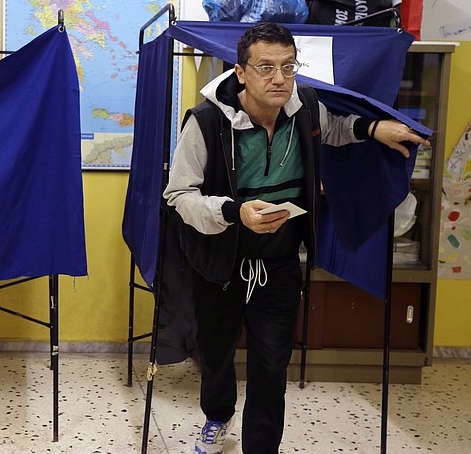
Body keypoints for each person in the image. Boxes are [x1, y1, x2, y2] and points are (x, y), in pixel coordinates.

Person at [162, 22, 429, 454]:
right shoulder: (206, 122)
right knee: (215, 354)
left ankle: (261, 448)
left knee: (271, 364)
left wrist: (374, 129)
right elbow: (179, 196)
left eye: (288, 67)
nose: (279, 78)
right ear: (240, 71)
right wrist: (234, 212)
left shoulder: (305, 106)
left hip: (279, 263)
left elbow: (333, 129)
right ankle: (217, 415)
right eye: (265, 67)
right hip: (219, 264)